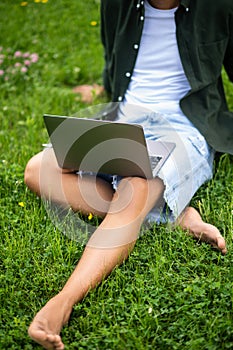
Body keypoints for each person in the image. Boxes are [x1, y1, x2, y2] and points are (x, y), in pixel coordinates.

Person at [24, 0, 233, 348]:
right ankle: (173, 215)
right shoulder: (117, 3)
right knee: (37, 170)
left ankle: (62, 302)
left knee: (135, 183)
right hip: (124, 120)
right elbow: (114, 60)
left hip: (185, 129)